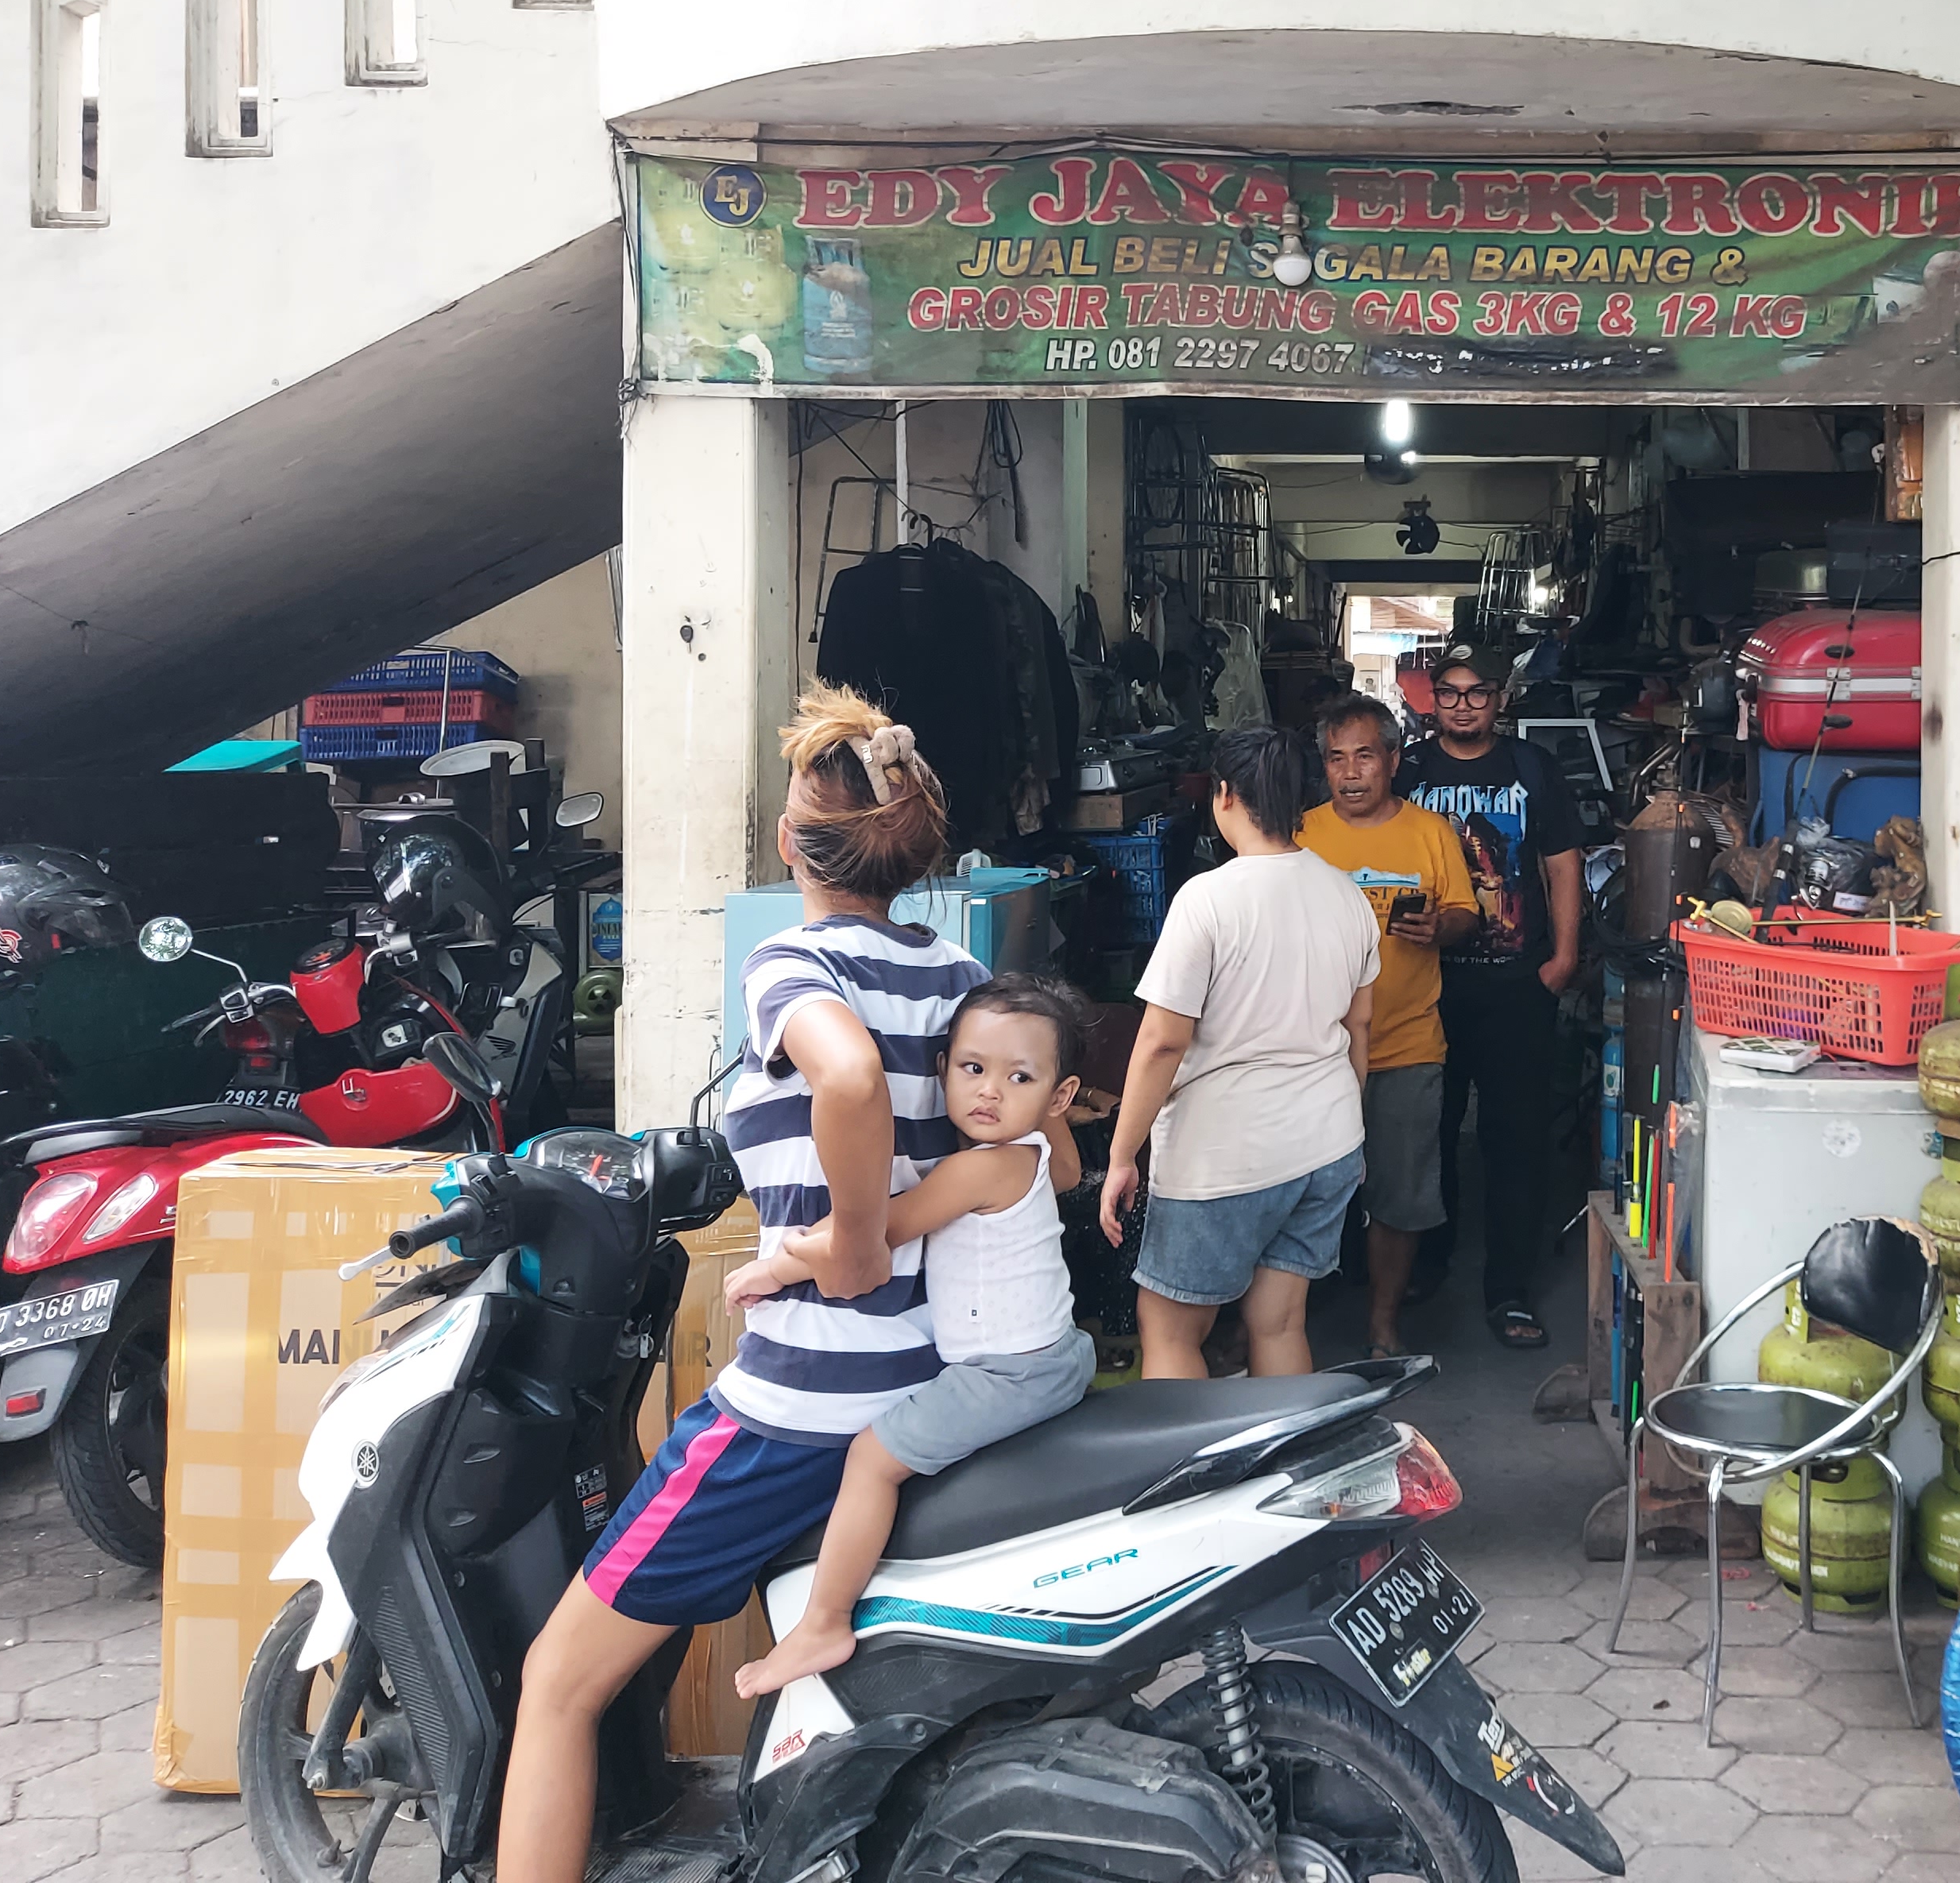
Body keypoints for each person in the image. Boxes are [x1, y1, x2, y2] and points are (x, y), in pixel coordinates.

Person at [499, 686, 980, 1883]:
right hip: (937, 1384)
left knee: (556, 1687)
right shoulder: (960, 968)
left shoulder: (792, 962)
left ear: (788, 842)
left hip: (803, 1413)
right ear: (916, 850)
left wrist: (851, 1245)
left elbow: (852, 1078)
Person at [726, 974, 1096, 1700]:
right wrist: (1039, 1104)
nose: (989, 1092)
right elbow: (1074, 1170)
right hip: (1052, 1355)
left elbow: (874, 1231)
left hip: (1006, 1372)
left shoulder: (975, 1169)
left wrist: (774, 1268)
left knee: (871, 1459)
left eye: (1018, 1078)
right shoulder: (1041, 1155)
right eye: (973, 1069)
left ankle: (824, 1622)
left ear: (1060, 1096)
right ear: (943, 1071)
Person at [1098, 721, 1380, 1380]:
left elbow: (1163, 1040)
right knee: (1280, 1322)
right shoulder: (1348, 896)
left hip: (1225, 1156)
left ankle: (1191, 1485)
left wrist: (1120, 1155)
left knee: (1169, 1330)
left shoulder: (1208, 900)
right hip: (1326, 1141)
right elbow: (1358, 1032)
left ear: (1223, 795)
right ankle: (1286, 1476)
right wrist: (1355, 1133)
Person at [1400, 648, 1586, 1351]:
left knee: (1516, 1142)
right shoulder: (1409, 771)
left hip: (1516, 985)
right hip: (1427, 990)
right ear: (1432, 701)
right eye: (1450, 694)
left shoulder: (1531, 769)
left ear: (1499, 699)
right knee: (1428, 1135)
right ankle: (1428, 1262)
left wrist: (1563, 957)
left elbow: (1561, 862)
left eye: (1478, 694)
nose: (1464, 706)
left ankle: (1509, 1288)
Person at [1300, 694, 1477, 1359]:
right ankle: (1282, 1321)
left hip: (1407, 1045)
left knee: (1400, 1196)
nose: (1350, 773)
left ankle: (1382, 1325)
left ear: (1393, 762)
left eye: (1364, 756)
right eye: (1337, 759)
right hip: (1313, 1052)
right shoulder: (1300, 834)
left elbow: (1464, 912)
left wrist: (1440, 927)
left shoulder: (1431, 832)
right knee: (1299, 1192)